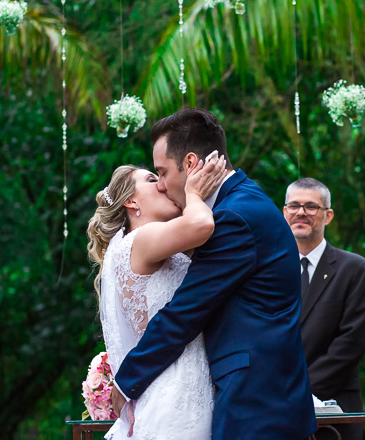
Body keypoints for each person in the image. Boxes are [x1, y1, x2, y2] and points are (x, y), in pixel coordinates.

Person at [114, 109, 317, 440]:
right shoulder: (241, 202)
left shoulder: (234, 218)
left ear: (191, 163)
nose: (162, 186)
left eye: (162, 173)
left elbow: (187, 310)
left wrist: (126, 381)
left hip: (257, 406)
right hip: (262, 399)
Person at [87, 155, 228, 439]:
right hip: (178, 395)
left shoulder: (148, 246)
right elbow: (202, 225)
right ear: (131, 202)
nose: (163, 185)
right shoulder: (141, 239)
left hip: (169, 388)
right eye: (152, 180)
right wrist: (194, 192)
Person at [283, 178, 365, 440]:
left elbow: (351, 343)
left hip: (334, 412)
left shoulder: (354, 269)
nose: (301, 212)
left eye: (311, 207)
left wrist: (297, 391)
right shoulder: (267, 269)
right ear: (284, 212)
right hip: (276, 411)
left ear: (328, 215)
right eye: (294, 206)